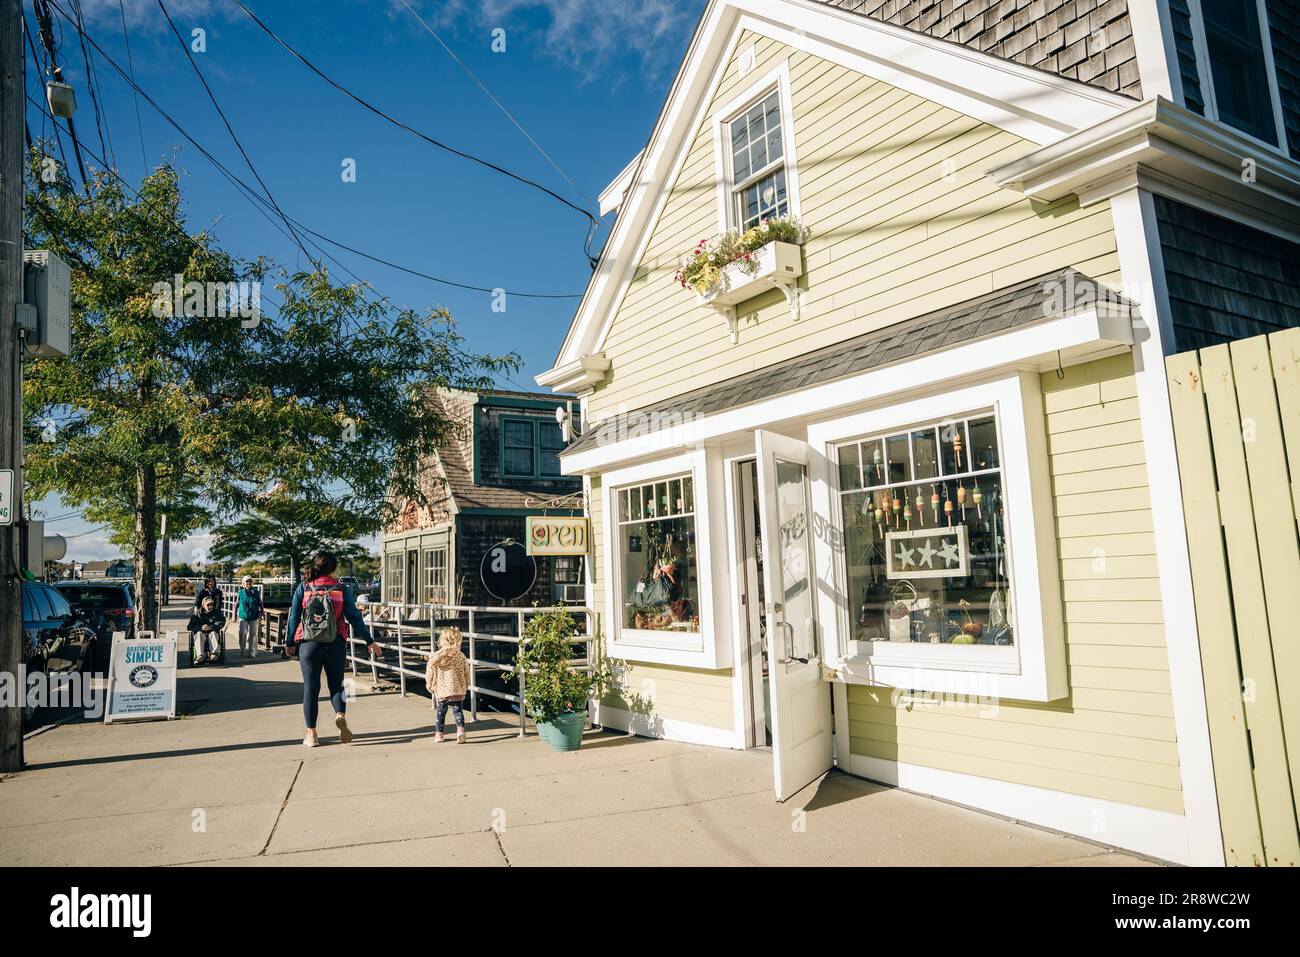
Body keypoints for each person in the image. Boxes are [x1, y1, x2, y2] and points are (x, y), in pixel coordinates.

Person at [286, 551, 382, 748]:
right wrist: (369, 640)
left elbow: (293, 618)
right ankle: (340, 714)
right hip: (336, 641)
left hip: (309, 644)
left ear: (316, 565)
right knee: (337, 686)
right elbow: (354, 617)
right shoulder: (341, 588)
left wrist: (289, 642)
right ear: (333, 568)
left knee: (311, 689)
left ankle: (311, 735)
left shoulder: (303, 588)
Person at [425, 627, 471, 744]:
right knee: (458, 711)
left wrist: (429, 684)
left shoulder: (436, 657)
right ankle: (460, 730)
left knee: (441, 712)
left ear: (442, 641)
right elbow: (466, 671)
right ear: (458, 641)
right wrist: (466, 684)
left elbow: (430, 670)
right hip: (457, 688)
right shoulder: (461, 656)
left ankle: (439, 734)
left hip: (442, 689)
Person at [188, 595, 227, 664]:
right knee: (199, 634)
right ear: (203, 605)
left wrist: (211, 627)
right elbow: (190, 626)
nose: (210, 606)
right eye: (208, 604)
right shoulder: (197, 614)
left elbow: (221, 622)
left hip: (212, 632)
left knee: (213, 634)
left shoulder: (217, 612)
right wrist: (201, 627)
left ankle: (214, 654)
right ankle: (200, 655)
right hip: (201, 633)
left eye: (211, 604)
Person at [235, 576, 263, 659]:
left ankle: (252, 652)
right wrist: (234, 616)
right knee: (242, 633)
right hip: (243, 616)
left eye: (250, 582)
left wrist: (262, 613)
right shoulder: (241, 593)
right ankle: (242, 650)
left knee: (253, 634)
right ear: (243, 583)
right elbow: (236, 604)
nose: (248, 583)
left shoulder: (256, 592)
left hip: (254, 616)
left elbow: (260, 603)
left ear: (252, 583)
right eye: (246, 582)